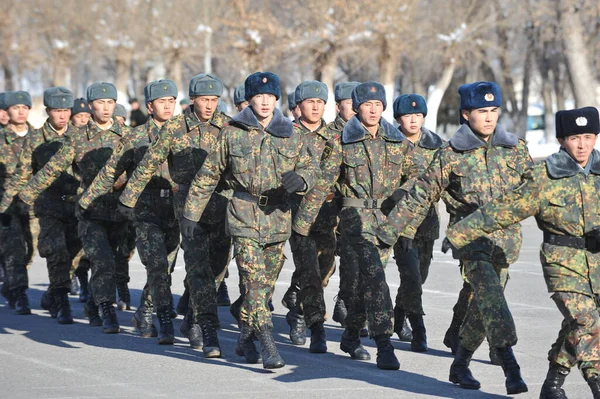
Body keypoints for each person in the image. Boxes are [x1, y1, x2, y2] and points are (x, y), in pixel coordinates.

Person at [377, 81, 531, 394]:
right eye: (481, 111)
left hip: (505, 245)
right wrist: (390, 231)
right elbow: (421, 195)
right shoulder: (450, 155)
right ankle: (510, 364)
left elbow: (538, 193)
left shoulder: (516, 149)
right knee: (490, 295)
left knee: (480, 304)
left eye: (493, 111)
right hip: (470, 242)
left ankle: (460, 363)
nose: (488, 118)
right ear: (466, 114)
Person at [446, 106, 600, 399]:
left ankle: (553, 384)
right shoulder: (544, 176)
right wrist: (458, 233)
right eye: (574, 137)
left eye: (589, 136)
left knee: (580, 326)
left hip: (599, 262)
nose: (582, 144)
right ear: (561, 139)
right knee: (584, 321)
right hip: (563, 263)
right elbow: (502, 210)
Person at [182, 71, 316, 369]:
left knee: (263, 287)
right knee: (253, 283)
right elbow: (209, 175)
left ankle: (244, 336)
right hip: (243, 214)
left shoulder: (291, 133)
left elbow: (311, 169)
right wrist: (191, 214)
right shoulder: (232, 132)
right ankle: (267, 343)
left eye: (270, 97)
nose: (265, 102)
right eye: (259, 96)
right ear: (249, 99)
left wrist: (302, 179)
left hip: (278, 218)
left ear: (277, 99)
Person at [294, 81, 409, 370]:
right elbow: (323, 184)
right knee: (376, 280)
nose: (373, 110)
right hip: (354, 221)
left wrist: (405, 209)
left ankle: (350, 335)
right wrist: (303, 224)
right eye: (367, 105)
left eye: (378, 105)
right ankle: (384, 343)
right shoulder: (341, 142)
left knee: (365, 283)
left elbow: (416, 179)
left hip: (386, 222)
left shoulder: (396, 141)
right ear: (355, 108)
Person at [118, 74, 231, 357]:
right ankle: (206, 330)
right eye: (204, 100)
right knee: (196, 268)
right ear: (192, 99)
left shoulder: (229, 126)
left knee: (218, 270)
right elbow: (149, 162)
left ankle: (192, 316)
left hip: (221, 208)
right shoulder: (175, 128)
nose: (209, 106)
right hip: (187, 210)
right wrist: (128, 198)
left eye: (214, 100)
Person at [17, 82, 133, 334]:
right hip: (89, 212)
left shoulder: (128, 135)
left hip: (119, 211)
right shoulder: (78, 138)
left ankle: (93, 302)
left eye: (110, 103)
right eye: (100, 103)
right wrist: (26, 194)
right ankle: (106, 308)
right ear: (90, 106)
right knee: (100, 261)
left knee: (110, 263)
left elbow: (142, 168)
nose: (105, 108)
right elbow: (53, 168)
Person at [80, 79, 181, 344]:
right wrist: (85, 202)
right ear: (150, 106)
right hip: (145, 211)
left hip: (174, 210)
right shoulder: (134, 137)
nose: (168, 106)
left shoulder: (184, 135)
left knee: (165, 268)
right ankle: (162, 319)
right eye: (162, 102)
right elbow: (110, 172)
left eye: (171, 101)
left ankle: (145, 310)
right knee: (156, 266)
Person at [0, 87, 81, 324]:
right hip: (45, 207)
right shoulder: (35, 140)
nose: (63, 116)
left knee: (74, 255)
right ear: (48, 111)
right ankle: (56, 299)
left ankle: (52, 293)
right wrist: (6, 204)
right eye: (57, 111)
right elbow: (22, 175)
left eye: (66, 110)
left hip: (75, 207)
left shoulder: (78, 136)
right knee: (54, 252)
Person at [284, 80, 337, 353]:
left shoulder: (336, 136)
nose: (315, 107)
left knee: (325, 270)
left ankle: (296, 307)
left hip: (327, 217)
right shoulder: (287, 134)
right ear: (299, 105)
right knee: (311, 273)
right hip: (298, 216)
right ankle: (315, 326)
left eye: (320, 102)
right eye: (310, 102)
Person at [390, 94, 444, 351]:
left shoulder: (438, 146)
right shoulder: (389, 143)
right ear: (398, 118)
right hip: (401, 222)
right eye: (408, 115)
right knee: (410, 276)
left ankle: (398, 318)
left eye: (418, 115)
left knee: (419, 277)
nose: (413, 120)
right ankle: (418, 329)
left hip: (427, 223)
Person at [0, 91, 38, 314]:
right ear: (8, 111)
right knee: (14, 248)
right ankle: (19, 293)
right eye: (16, 108)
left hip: (33, 203)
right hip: (7, 203)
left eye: (25, 107)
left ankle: (10, 284)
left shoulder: (38, 137)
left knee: (30, 250)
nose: (21, 111)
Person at [327, 81, 360, 329]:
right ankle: (299, 300)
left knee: (355, 265)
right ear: (338, 106)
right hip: (327, 211)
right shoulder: (328, 136)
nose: (356, 109)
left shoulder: (368, 136)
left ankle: (347, 305)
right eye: (350, 103)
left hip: (352, 214)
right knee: (322, 268)